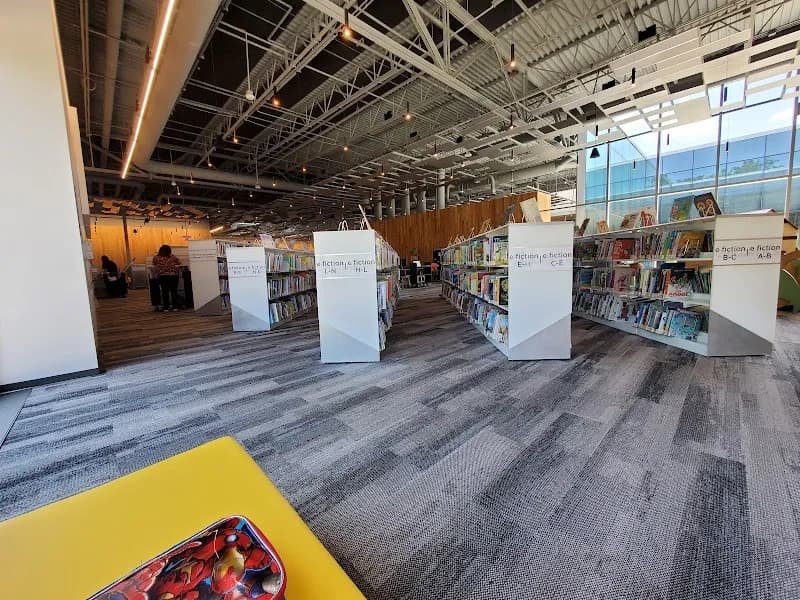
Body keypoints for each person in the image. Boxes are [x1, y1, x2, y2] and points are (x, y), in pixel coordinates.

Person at [153, 244, 181, 311]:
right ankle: (175, 307)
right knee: (174, 292)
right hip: (173, 276)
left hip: (163, 277)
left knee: (165, 292)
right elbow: (179, 262)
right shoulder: (173, 257)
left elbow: (154, 263)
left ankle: (166, 307)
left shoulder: (156, 257)